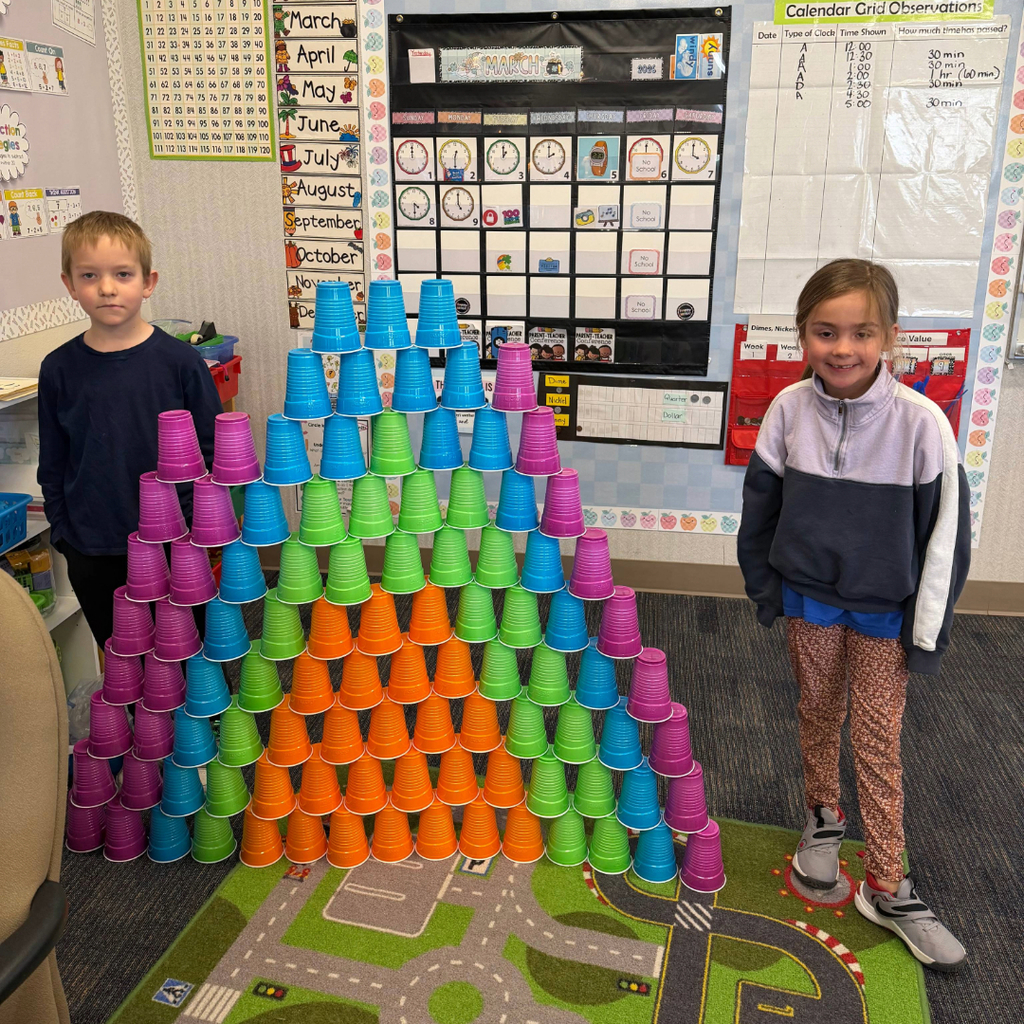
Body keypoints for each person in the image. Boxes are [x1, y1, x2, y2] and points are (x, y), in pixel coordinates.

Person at [737, 259, 970, 972]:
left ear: (891, 337)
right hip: (809, 602)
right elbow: (760, 509)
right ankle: (821, 816)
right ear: (804, 335)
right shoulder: (786, 411)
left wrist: (924, 631)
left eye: (861, 333)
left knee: (876, 740)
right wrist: (764, 589)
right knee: (816, 712)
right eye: (825, 331)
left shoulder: (922, 425)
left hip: (882, 618)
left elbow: (947, 541)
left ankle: (889, 884)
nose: (843, 348)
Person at [37, 211, 222, 648]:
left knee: (190, 653)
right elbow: (54, 459)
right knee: (124, 657)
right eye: (89, 275)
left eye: (122, 274)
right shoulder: (58, 369)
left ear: (148, 282)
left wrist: (196, 526)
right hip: (93, 544)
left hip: (176, 540)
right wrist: (64, 534)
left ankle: (205, 721)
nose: (106, 287)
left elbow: (212, 449)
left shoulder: (181, 363)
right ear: (69, 284)